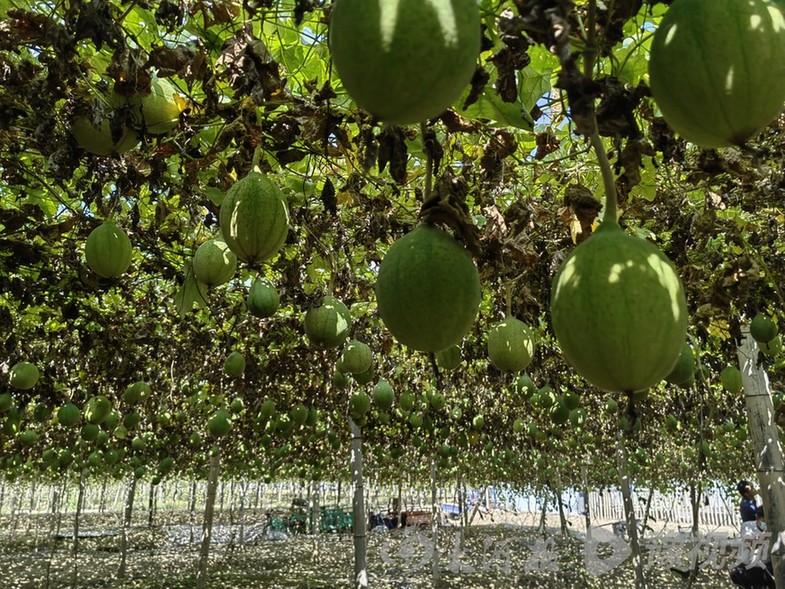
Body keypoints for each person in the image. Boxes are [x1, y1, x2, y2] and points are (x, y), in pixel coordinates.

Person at [730, 480, 774, 589]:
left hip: (766, 566)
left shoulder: (772, 530)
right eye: (763, 521)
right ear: (757, 518)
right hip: (750, 568)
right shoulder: (748, 526)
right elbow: (752, 545)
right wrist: (766, 535)